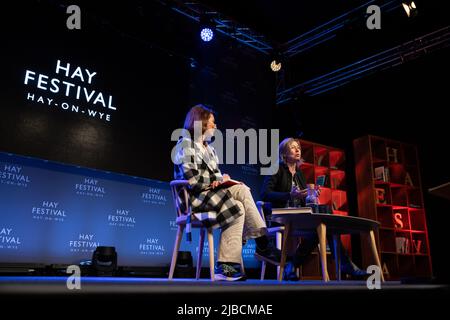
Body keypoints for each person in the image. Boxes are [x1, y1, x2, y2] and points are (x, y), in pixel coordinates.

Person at [173, 104, 281, 281]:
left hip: (211, 195)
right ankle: (262, 244)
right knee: (241, 190)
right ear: (201, 122)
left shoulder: (210, 149)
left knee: (238, 203)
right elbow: (192, 181)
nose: (215, 126)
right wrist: (216, 181)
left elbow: (215, 176)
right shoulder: (185, 144)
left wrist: (222, 178)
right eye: (212, 123)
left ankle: (226, 267)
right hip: (194, 199)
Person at [260, 137, 369, 280]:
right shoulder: (276, 168)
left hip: (298, 215)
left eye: (298, 147)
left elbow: (303, 198)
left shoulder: (299, 173)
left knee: (325, 221)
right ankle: (346, 265)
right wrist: (289, 195)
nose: (298, 149)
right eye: (293, 147)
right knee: (324, 224)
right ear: (284, 153)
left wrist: (311, 196)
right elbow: (264, 193)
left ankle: (292, 264)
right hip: (281, 216)